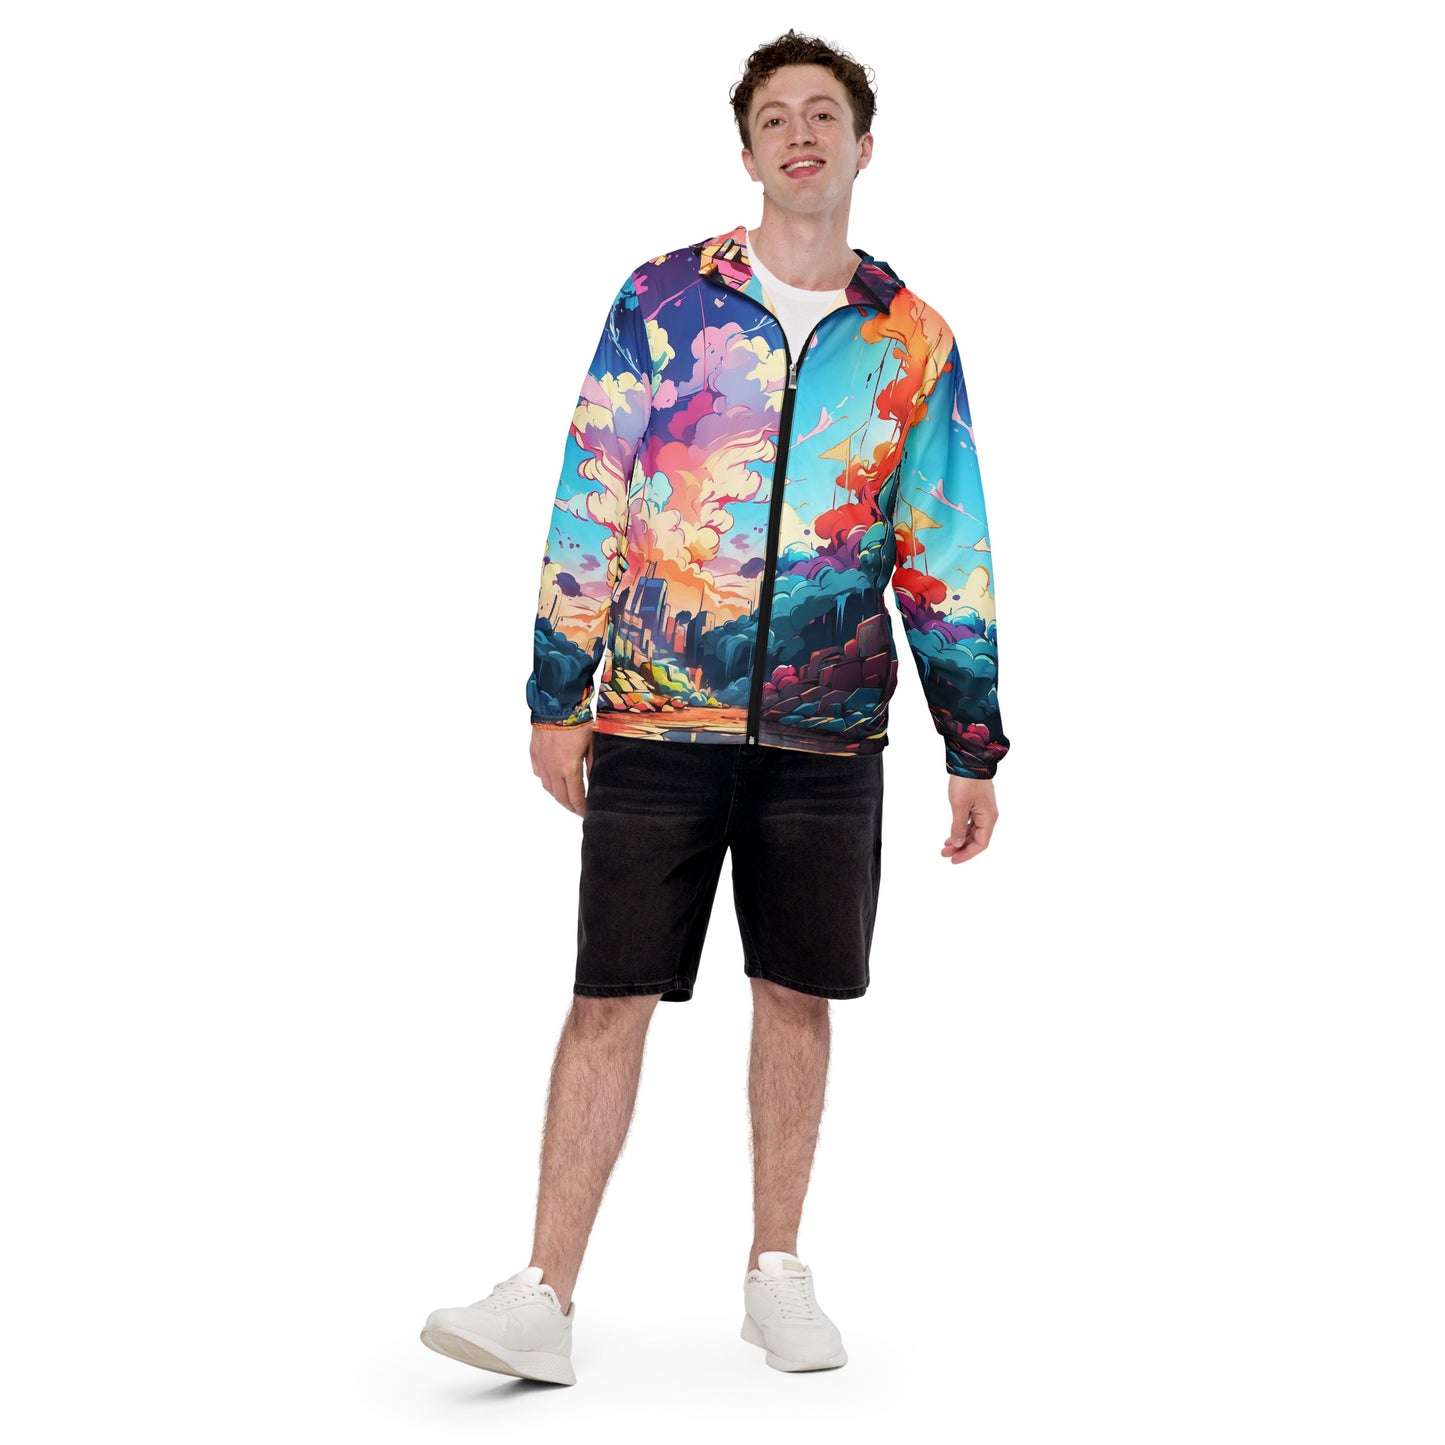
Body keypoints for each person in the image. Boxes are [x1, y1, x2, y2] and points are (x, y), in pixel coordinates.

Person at [421, 28, 1010, 1386]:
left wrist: (970, 738)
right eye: (775, 117)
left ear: (864, 146)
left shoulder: (912, 341)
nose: (801, 133)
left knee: (798, 994)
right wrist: (558, 689)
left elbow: (944, 541)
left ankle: (775, 1271)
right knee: (606, 993)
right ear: (747, 152)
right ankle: (540, 1293)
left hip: (826, 729)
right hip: (655, 714)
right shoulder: (664, 300)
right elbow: (591, 488)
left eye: (824, 114)